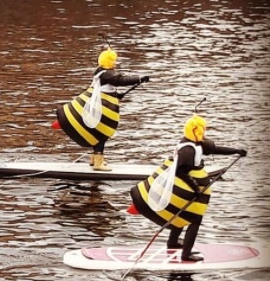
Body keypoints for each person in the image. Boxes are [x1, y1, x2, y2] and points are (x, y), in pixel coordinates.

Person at [128, 114, 246, 261]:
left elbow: (215, 149)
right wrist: (196, 188)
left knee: (180, 213)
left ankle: (172, 243)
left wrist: (236, 151)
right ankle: (186, 254)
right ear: (195, 131)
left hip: (185, 184)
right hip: (180, 185)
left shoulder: (198, 143)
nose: (204, 133)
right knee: (194, 219)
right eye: (202, 130)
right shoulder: (187, 150)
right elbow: (181, 171)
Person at [53, 47, 150, 171]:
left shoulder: (100, 71)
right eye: (114, 61)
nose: (115, 63)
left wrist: (118, 95)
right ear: (108, 61)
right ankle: (98, 163)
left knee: (96, 132)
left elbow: (109, 87)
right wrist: (139, 78)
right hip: (101, 109)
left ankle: (94, 159)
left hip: (96, 105)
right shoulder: (108, 74)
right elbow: (120, 81)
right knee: (101, 133)